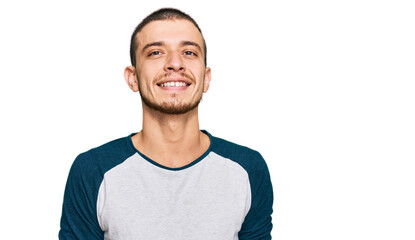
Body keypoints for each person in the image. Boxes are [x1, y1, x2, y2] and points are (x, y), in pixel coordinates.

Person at [59, 8, 273, 240]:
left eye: (189, 52)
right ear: (133, 78)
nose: (175, 63)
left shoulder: (248, 169)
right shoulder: (92, 171)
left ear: (206, 78)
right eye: (156, 52)